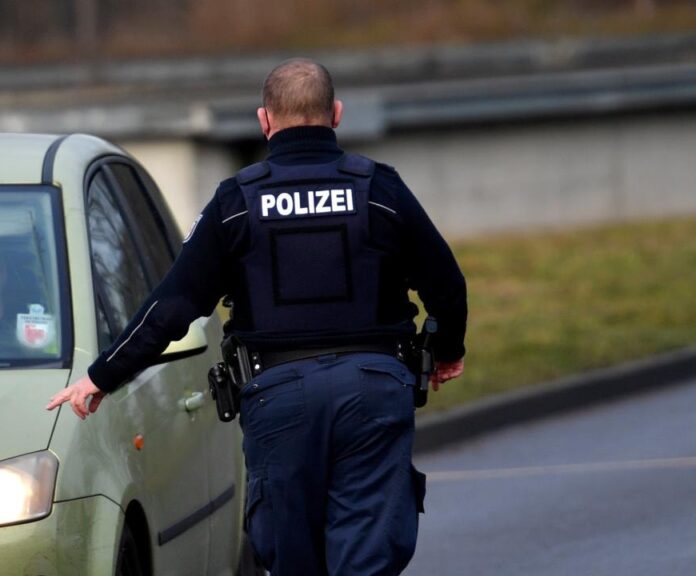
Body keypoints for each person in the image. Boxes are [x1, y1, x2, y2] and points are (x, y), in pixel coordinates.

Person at [48, 58, 467, 575]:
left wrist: (101, 375)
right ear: (336, 114)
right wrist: (446, 351)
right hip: (373, 392)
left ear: (264, 120)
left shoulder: (237, 203)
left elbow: (174, 303)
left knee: (290, 558)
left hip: (279, 399)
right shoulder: (380, 189)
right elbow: (447, 284)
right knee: (366, 557)